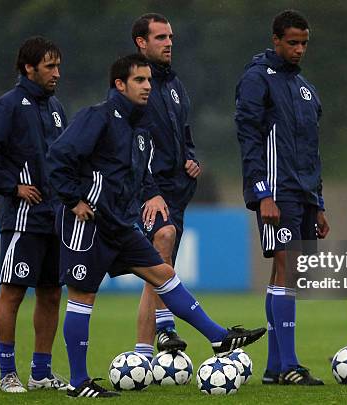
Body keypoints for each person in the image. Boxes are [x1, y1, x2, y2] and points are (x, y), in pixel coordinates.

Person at [47, 54, 266, 398]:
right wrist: (73, 200)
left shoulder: (139, 128)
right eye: (139, 80)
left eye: (149, 80)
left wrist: (148, 195)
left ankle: (218, 336)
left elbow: (137, 174)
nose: (148, 86)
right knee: (82, 296)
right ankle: (78, 382)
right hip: (87, 222)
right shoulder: (97, 117)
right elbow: (58, 157)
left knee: (163, 275)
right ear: (119, 84)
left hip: (119, 224)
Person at [0, 36, 68, 393]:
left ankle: (41, 372)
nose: (56, 73)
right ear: (29, 68)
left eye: (58, 66)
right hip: (23, 218)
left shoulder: (55, 107)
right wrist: (12, 186)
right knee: (13, 292)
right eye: (49, 66)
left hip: (55, 216)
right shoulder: (7, 106)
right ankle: (7, 372)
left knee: (52, 293)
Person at [235, 10, 329, 386]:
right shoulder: (258, 79)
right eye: (293, 42)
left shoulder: (305, 88)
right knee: (285, 269)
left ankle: (276, 368)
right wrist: (262, 194)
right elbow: (248, 136)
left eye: (304, 43)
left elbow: (312, 149)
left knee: (286, 274)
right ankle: (288, 364)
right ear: (276, 40)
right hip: (278, 192)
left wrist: (319, 202)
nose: (299, 49)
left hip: (304, 193)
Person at [130, 13, 201, 360]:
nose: (169, 42)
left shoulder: (174, 85)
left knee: (158, 270)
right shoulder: (131, 84)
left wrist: (191, 159)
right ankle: (166, 325)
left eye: (170, 36)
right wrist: (149, 189)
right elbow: (128, 141)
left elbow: (184, 135)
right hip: (147, 192)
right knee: (163, 240)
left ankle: (142, 356)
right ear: (141, 43)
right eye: (160, 37)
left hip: (176, 192)